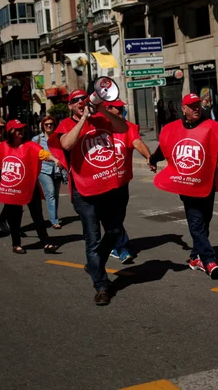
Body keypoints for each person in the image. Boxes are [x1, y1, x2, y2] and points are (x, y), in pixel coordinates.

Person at [47, 89, 131, 306]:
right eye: (75, 101)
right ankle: (101, 286)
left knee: (114, 231)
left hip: (108, 187)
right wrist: (84, 118)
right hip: (83, 192)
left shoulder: (103, 117)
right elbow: (66, 144)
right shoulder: (66, 125)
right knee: (92, 240)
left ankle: (94, 264)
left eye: (82, 99)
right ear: (69, 106)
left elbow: (124, 128)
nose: (80, 103)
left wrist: (102, 109)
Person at [149, 93, 218, 279]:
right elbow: (164, 147)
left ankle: (194, 257)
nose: (196, 108)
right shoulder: (174, 128)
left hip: (207, 182)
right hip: (187, 182)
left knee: (205, 221)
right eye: (192, 106)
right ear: (184, 109)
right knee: (196, 222)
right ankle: (209, 260)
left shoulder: (212, 127)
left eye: (198, 105)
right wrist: (153, 159)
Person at [0, 119, 61, 254]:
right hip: (12, 188)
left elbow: (43, 154)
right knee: (14, 216)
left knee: (37, 216)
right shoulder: (3, 147)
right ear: (11, 131)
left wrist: (54, 160)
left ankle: (46, 242)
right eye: (17, 129)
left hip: (30, 187)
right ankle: (16, 244)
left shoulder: (30, 145)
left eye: (22, 128)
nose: (21, 131)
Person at [103, 100, 152, 264]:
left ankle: (112, 245)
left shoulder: (128, 127)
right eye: (118, 108)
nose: (122, 110)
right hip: (104, 181)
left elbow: (137, 142)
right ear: (108, 109)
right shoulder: (98, 126)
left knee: (118, 217)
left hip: (123, 181)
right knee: (113, 217)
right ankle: (123, 249)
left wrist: (148, 157)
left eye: (123, 107)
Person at [33, 115, 64, 229]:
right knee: (50, 192)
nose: (49, 126)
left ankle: (53, 217)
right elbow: (32, 154)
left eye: (51, 124)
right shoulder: (37, 139)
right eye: (46, 124)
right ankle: (54, 220)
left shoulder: (59, 137)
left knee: (55, 194)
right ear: (43, 126)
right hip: (43, 169)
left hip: (57, 169)